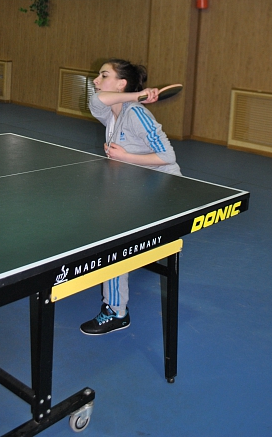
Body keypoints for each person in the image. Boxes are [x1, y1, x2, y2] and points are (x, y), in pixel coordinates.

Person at [80, 58, 181, 336]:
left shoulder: (137, 114)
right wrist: (138, 94)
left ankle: (116, 312)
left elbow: (167, 156)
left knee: (113, 237)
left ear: (121, 83)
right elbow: (98, 99)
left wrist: (126, 157)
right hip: (137, 186)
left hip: (163, 190)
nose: (96, 80)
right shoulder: (110, 112)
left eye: (104, 75)